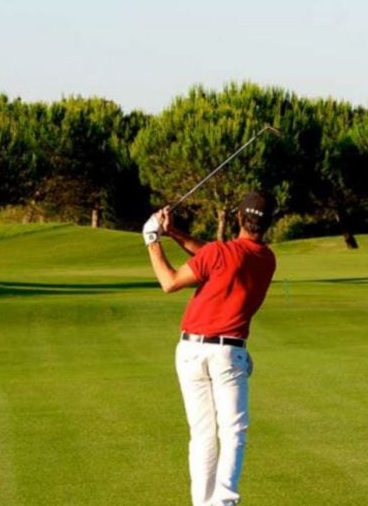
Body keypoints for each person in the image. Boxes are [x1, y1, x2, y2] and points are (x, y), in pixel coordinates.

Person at [143, 191, 278, 506]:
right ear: (269, 224)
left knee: (203, 435)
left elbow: (170, 280)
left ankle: (204, 503)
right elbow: (211, 259)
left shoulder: (219, 254)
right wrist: (173, 232)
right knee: (233, 433)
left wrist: (152, 238)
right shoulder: (266, 259)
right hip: (229, 355)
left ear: (237, 217)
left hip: (190, 352)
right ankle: (223, 502)